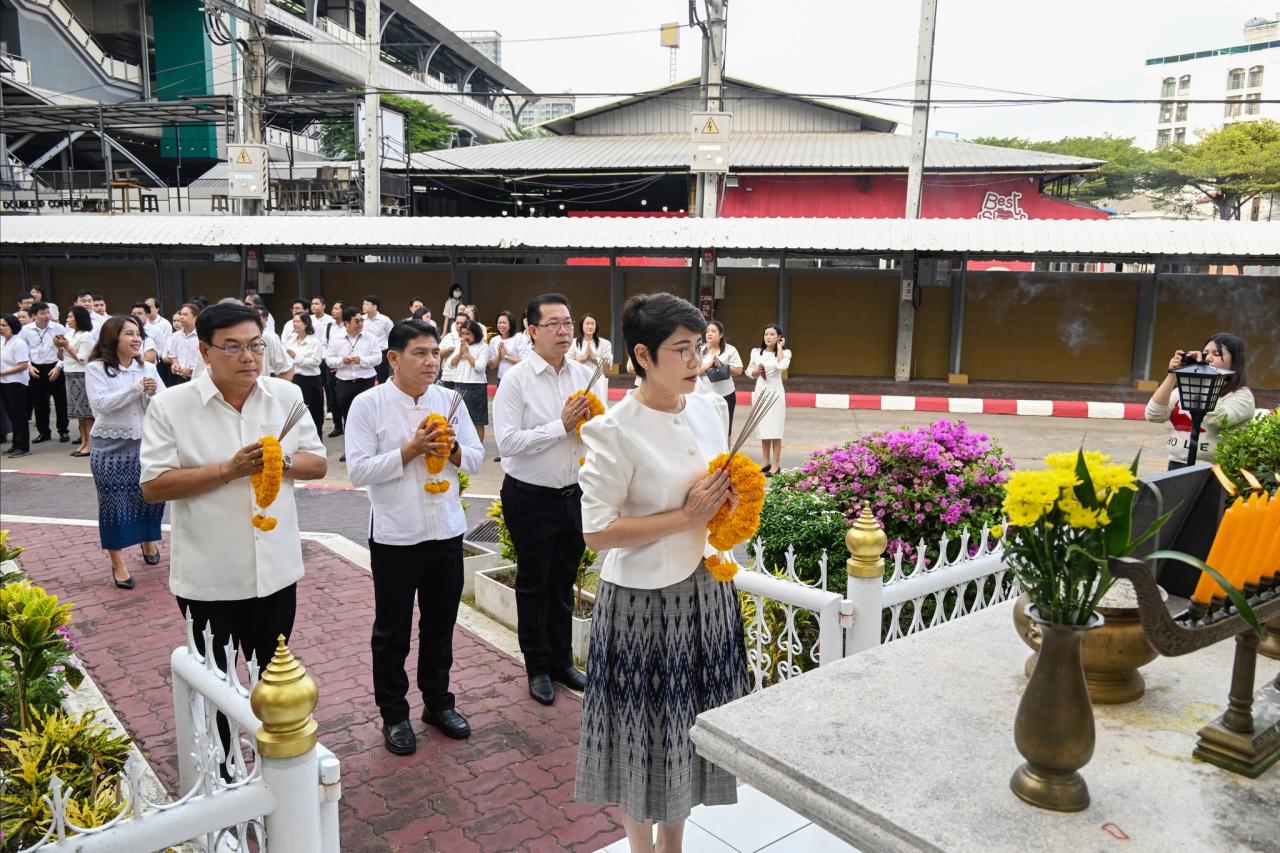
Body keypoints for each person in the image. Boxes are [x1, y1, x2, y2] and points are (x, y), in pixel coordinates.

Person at [575, 293, 744, 849]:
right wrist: (685, 516)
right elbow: (597, 531)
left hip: (706, 593)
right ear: (643, 356)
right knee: (643, 738)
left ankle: (674, 843)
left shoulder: (709, 408)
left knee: (689, 732)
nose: (697, 361)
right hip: (644, 602)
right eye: (682, 350)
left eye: (700, 347)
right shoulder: (614, 430)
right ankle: (641, 847)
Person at [140, 301, 326, 673]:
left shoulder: (286, 397)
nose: (248, 357)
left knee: (272, 681)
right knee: (214, 687)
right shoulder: (170, 406)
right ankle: (222, 736)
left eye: (256, 345)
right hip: (209, 578)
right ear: (205, 351)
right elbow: (154, 486)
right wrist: (229, 469)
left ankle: (262, 734)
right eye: (233, 347)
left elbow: (317, 463)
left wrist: (279, 461)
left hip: (275, 572)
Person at [345, 320, 485, 753]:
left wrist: (453, 449)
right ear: (393, 358)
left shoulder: (450, 399)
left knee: (440, 624)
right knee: (392, 630)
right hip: (395, 534)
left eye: (434, 353)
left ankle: (438, 702)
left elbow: (476, 461)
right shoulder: (367, 405)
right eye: (420, 353)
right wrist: (411, 450)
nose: (430, 362)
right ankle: (394, 713)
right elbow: (357, 471)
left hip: (445, 530)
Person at [493, 293, 608, 705]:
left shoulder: (584, 375)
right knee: (534, 582)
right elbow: (507, 443)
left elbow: (601, 430)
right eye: (554, 324)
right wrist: (560, 427)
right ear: (532, 330)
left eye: (568, 322)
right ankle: (537, 666)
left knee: (563, 580)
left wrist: (591, 429)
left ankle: (562, 661)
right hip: (530, 498)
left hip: (575, 495)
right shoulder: (516, 380)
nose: (564, 331)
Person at [85, 315, 165, 589]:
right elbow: (101, 404)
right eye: (129, 333)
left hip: (146, 444)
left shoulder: (149, 368)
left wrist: (153, 394)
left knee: (149, 496)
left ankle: (147, 539)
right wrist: (136, 388)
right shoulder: (97, 369)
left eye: (138, 333)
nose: (136, 338)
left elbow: (164, 404)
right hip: (110, 448)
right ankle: (117, 561)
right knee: (113, 505)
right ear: (112, 338)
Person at [1145, 333, 1256, 470]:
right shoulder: (1187, 388)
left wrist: (1204, 377)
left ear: (1234, 361)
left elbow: (1218, 419)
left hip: (1214, 469)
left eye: (1217, 353)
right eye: (1205, 353)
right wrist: (1172, 374)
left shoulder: (1242, 396)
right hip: (1176, 464)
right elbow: (1154, 415)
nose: (1208, 358)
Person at [324, 305, 381, 447]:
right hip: (345, 382)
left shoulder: (370, 338)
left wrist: (361, 360)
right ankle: (351, 449)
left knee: (368, 416)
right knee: (348, 417)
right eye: (357, 321)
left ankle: (371, 447)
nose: (361, 323)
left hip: (366, 381)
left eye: (362, 320)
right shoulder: (336, 338)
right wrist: (341, 361)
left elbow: (378, 358)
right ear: (346, 323)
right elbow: (328, 360)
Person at [21, 302, 70, 444]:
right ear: (33, 316)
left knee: (61, 401)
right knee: (39, 402)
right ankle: (44, 432)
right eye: (42, 313)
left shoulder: (58, 328)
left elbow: (65, 349)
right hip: (36, 368)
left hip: (55, 366)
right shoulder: (25, 330)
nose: (47, 316)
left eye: (48, 312)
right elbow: (23, 350)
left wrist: (58, 367)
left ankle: (63, 431)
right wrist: (29, 366)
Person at [747, 324, 791, 475]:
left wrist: (779, 348)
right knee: (764, 429)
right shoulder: (756, 352)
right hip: (760, 392)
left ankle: (776, 465)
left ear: (779, 337)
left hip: (775, 393)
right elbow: (748, 372)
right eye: (766, 334)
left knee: (775, 430)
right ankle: (765, 461)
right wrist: (754, 371)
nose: (768, 337)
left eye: (772, 334)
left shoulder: (785, 353)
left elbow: (781, 366)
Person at [58, 307, 96, 457]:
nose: (68, 320)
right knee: (79, 414)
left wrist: (67, 346)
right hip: (69, 374)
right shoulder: (69, 334)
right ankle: (84, 442)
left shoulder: (86, 336)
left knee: (87, 413)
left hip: (82, 375)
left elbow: (83, 358)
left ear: (79, 318)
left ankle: (90, 445)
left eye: (70, 317)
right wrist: (60, 347)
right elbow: (61, 358)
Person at [697, 320, 744, 436]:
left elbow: (738, 370)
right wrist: (709, 364)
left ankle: (726, 453)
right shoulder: (702, 350)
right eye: (707, 331)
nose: (709, 334)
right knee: (706, 426)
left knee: (726, 427)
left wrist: (721, 364)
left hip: (726, 394)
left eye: (713, 331)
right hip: (706, 394)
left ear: (721, 335)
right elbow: (696, 371)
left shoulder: (730, 350)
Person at [447, 318, 490, 444]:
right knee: (459, 418)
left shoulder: (483, 346)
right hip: (459, 384)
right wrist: (460, 353)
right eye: (463, 333)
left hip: (475, 386)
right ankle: (462, 446)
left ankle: (478, 449)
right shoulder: (461, 345)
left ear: (475, 333)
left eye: (468, 334)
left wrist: (466, 354)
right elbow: (450, 364)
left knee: (477, 420)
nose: (465, 337)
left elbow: (480, 367)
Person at [287, 313, 325, 435]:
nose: (295, 324)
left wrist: (296, 357)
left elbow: (315, 362)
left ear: (306, 324)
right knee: (296, 414)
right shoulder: (291, 340)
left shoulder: (314, 342)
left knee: (314, 414)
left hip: (310, 382)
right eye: (294, 321)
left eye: (298, 321)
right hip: (294, 380)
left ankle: (317, 441)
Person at [0, 315, 32, 457]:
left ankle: (23, 446)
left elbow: (23, 365)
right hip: (4, 382)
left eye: (4, 325)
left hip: (16, 382)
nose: (1, 328)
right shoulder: (3, 342)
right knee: (12, 414)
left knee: (19, 415)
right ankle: (15, 444)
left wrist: (3, 372)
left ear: (13, 326)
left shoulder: (18, 343)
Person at [322, 301, 346, 435]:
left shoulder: (348, 327)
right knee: (333, 397)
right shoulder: (330, 326)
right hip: (330, 366)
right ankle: (338, 426)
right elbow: (325, 345)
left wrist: (340, 362)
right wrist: (328, 360)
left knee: (343, 398)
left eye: (337, 308)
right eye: (333, 308)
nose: (333, 310)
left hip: (344, 366)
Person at [163, 303, 201, 385]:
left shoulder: (201, 336)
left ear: (195, 318)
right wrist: (175, 365)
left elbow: (206, 359)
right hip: (178, 378)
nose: (181, 317)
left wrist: (190, 370)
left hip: (197, 377)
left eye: (185, 315)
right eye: (181, 314)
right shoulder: (176, 336)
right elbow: (173, 355)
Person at [488, 310, 528, 385]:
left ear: (511, 324)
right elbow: (492, 366)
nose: (501, 325)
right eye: (499, 323)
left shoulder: (520, 337)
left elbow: (524, 362)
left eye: (504, 323)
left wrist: (505, 356)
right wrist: (499, 354)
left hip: (517, 380)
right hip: (501, 379)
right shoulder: (494, 340)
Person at [362, 295, 394, 384]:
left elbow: (392, 336)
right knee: (367, 379)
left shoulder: (385, 320)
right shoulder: (361, 319)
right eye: (363, 304)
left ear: (375, 306)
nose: (363, 306)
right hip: (366, 353)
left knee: (382, 379)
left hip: (382, 353)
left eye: (366, 304)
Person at [438, 313, 468, 389]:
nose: (459, 326)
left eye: (462, 323)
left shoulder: (471, 338)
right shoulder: (448, 336)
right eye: (457, 323)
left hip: (464, 378)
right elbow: (438, 354)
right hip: (448, 377)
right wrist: (447, 350)